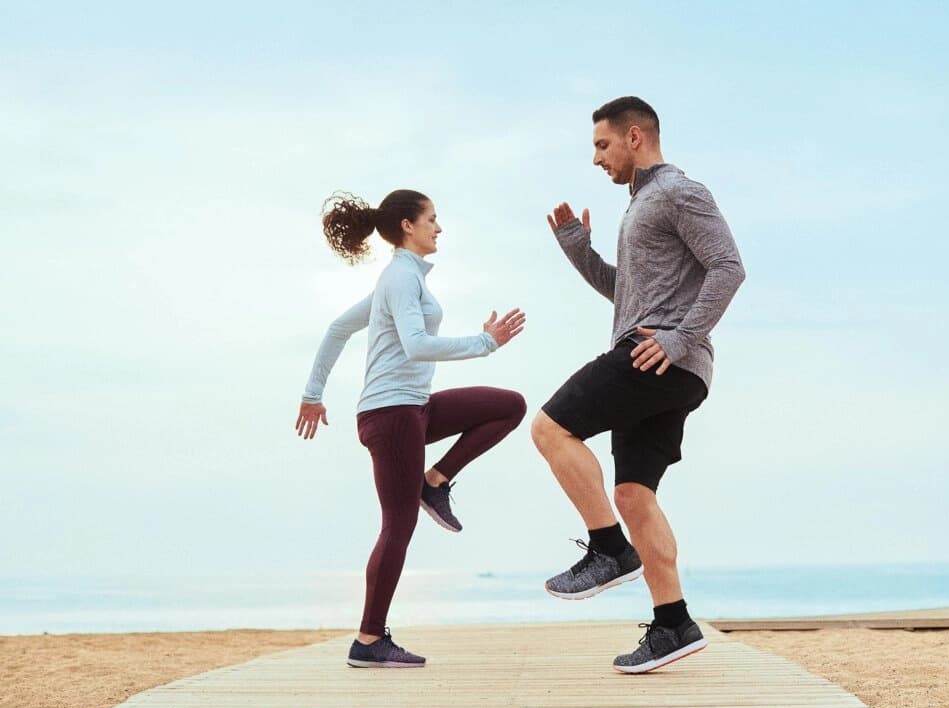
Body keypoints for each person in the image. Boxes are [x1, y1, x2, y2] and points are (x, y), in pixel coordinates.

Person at [532, 97, 745, 674]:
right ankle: (673, 623)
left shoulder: (677, 190)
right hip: (665, 362)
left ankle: (608, 549)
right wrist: (581, 253)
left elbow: (729, 267)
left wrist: (678, 339)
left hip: (660, 359)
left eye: (601, 146)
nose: (596, 159)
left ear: (634, 136)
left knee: (550, 427)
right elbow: (631, 295)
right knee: (633, 495)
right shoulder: (641, 204)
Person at [296, 189, 527, 668]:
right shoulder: (400, 277)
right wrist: (486, 342)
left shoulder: (401, 279)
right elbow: (416, 344)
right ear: (407, 226)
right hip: (392, 414)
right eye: (432, 219)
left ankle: (434, 482)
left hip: (412, 408)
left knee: (508, 406)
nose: (439, 228)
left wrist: (313, 394)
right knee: (397, 526)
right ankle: (368, 640)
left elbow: (339, 328)